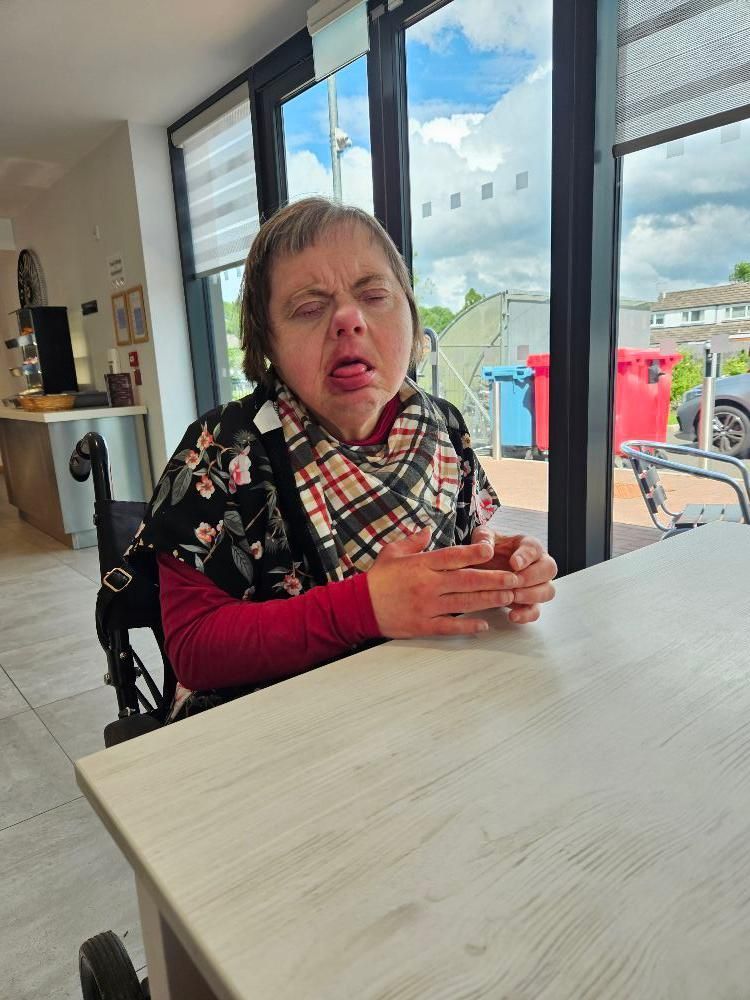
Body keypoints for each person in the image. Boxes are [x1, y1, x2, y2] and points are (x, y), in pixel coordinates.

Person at [127, 198, 557, 721]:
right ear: (269, 346)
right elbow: (194, 649)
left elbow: (455, 549)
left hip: (429, 708)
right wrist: (366, 607)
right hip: (277, 731)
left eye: (374, 295)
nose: (349, 320)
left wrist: (491, 571)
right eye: (309, 308)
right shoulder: (222, 447)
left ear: (411, 315)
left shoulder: (444, 426)